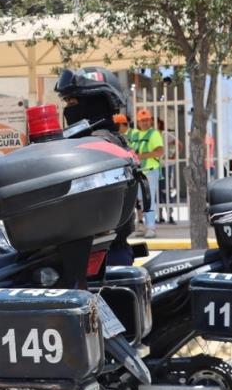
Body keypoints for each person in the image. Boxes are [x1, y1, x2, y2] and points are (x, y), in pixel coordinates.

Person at [53, 67, 136, 266]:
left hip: (98, 256)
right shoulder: (107, 140)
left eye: (73, 102)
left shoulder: (98, 145)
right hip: (103, 250)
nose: (68, 109)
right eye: (66, 102)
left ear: (95, 102)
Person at [128, 109, 163, 238]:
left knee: (148, 200)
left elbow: (159, 152)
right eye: (142, 120)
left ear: (151, 120)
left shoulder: (154, 134)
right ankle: (144, 226)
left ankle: (151, 228)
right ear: (138, 121)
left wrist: (140, 157)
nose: (145, 122)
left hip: (149, 171)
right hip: (138, 172)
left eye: (147, 120)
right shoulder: (135, 134)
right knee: (141, 200)